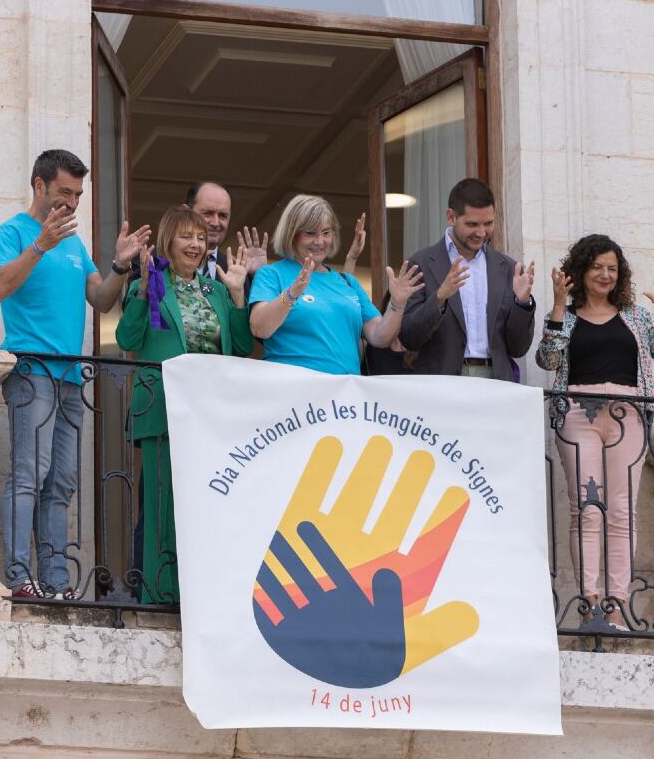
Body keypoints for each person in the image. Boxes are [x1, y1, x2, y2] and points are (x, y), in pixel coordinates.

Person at [0, 148, 151, 600]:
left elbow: (100, 300)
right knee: (29, 475)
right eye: (64, 192)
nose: (73, 203)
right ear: (38, 185)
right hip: (32, 372)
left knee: (61, 483)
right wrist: (39, 245)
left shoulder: (75, 244)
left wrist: (119, 265)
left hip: (72, 379)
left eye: (78, 194)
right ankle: (21, 576)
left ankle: (57, 582)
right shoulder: (14, 231)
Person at [535, 234, 654, 628]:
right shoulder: (566, 317)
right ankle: (588, 603)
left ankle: (617, 603)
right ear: (581, 270)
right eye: (597, 267)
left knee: (621, 512)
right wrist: (555, 306)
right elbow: (548, 358)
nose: (605, 275)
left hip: (629, 415)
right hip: (576, 416)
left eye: (612, 269)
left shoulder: (635, 316)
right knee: (586, 509)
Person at [116, 205, 254, 603]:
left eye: (199, 237)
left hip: (210, 416)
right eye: (186, 236)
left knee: (209, 505)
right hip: (163, 409)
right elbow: (128, 338)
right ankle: (160, 597)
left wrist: (238, 294)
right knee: (162, 505)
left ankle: (204, 596)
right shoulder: (153, 282)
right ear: (167, 241)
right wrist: (142, 287)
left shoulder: (215, 290)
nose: (195, 244)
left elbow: (243, 345)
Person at [248, 195, 422, 374]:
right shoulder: (271, 274)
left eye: (326, 233)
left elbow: (379, 337)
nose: (319, 241)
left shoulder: (348, 282)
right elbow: (259, 328)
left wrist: (397, 304)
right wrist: (292, 293)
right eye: (310, 233)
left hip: (343, 395)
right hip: (294, 391)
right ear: (291, 234)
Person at [399, 178, 536, 381]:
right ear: (451, 217)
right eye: (472, 224)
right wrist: (438, 298)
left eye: (488, 223)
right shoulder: (420, 263)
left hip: (496, 383)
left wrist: (522, 304)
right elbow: (409, 338)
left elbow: (519, 348)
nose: (481, 233)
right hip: (442, 384)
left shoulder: (508, 269)